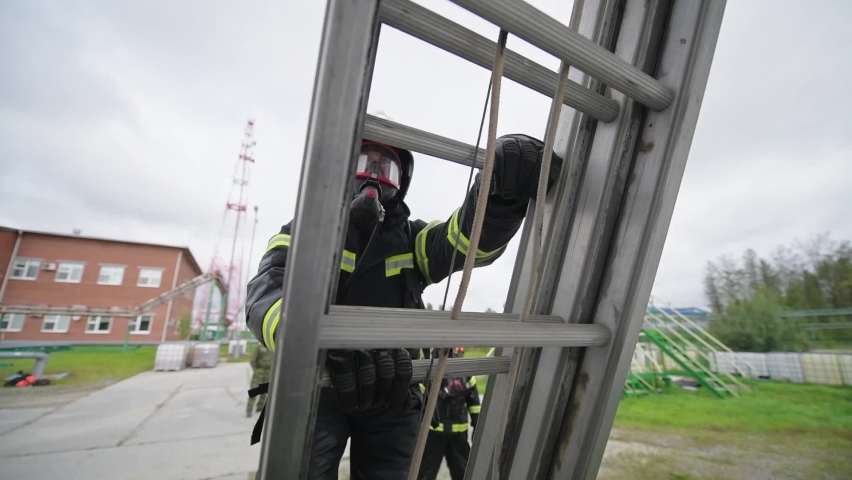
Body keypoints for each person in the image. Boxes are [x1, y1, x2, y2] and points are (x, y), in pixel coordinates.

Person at [244, 117, 563, 479]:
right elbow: (265, 293)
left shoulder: (412, 239)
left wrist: (498, 197)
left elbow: (462, 242)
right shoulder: (304, 231)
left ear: (402, 182)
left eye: (385, 168)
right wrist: (310, 342)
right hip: (318, 386)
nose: (373, 176)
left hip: (394, 389)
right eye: (364, 163)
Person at [418, 347, 481, 480]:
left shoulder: (464, 368)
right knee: (425, 474)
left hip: (458, 436)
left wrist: (477, 425)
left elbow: (474, 402)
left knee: (463, 474)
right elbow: (421, 399)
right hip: (434, 435)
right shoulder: (429, 367)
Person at [246, 344, 273, 417]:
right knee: (254, 389)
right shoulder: (259, 347)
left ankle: (259, 408)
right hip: (260, 371)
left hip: (269, 372)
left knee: (264, 391)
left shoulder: (273, 347)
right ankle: (249, 409)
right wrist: (256, 370)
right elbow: (253, 360)